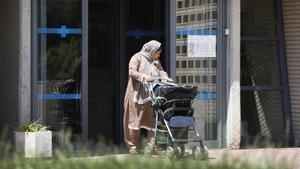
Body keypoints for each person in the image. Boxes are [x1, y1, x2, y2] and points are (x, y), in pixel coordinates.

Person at [123, 40, 173, 154]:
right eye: (157, 52)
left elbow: (161, 71)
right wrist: (144, 76)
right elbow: (132, 72)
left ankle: (153, 147)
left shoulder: (155, 60)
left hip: (151, 95)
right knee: (135, 121)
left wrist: (166, 78)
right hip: (136, 96)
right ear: (151, 51)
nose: (159, 55)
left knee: (152, 121)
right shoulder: (137, 57)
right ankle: (132, 146)